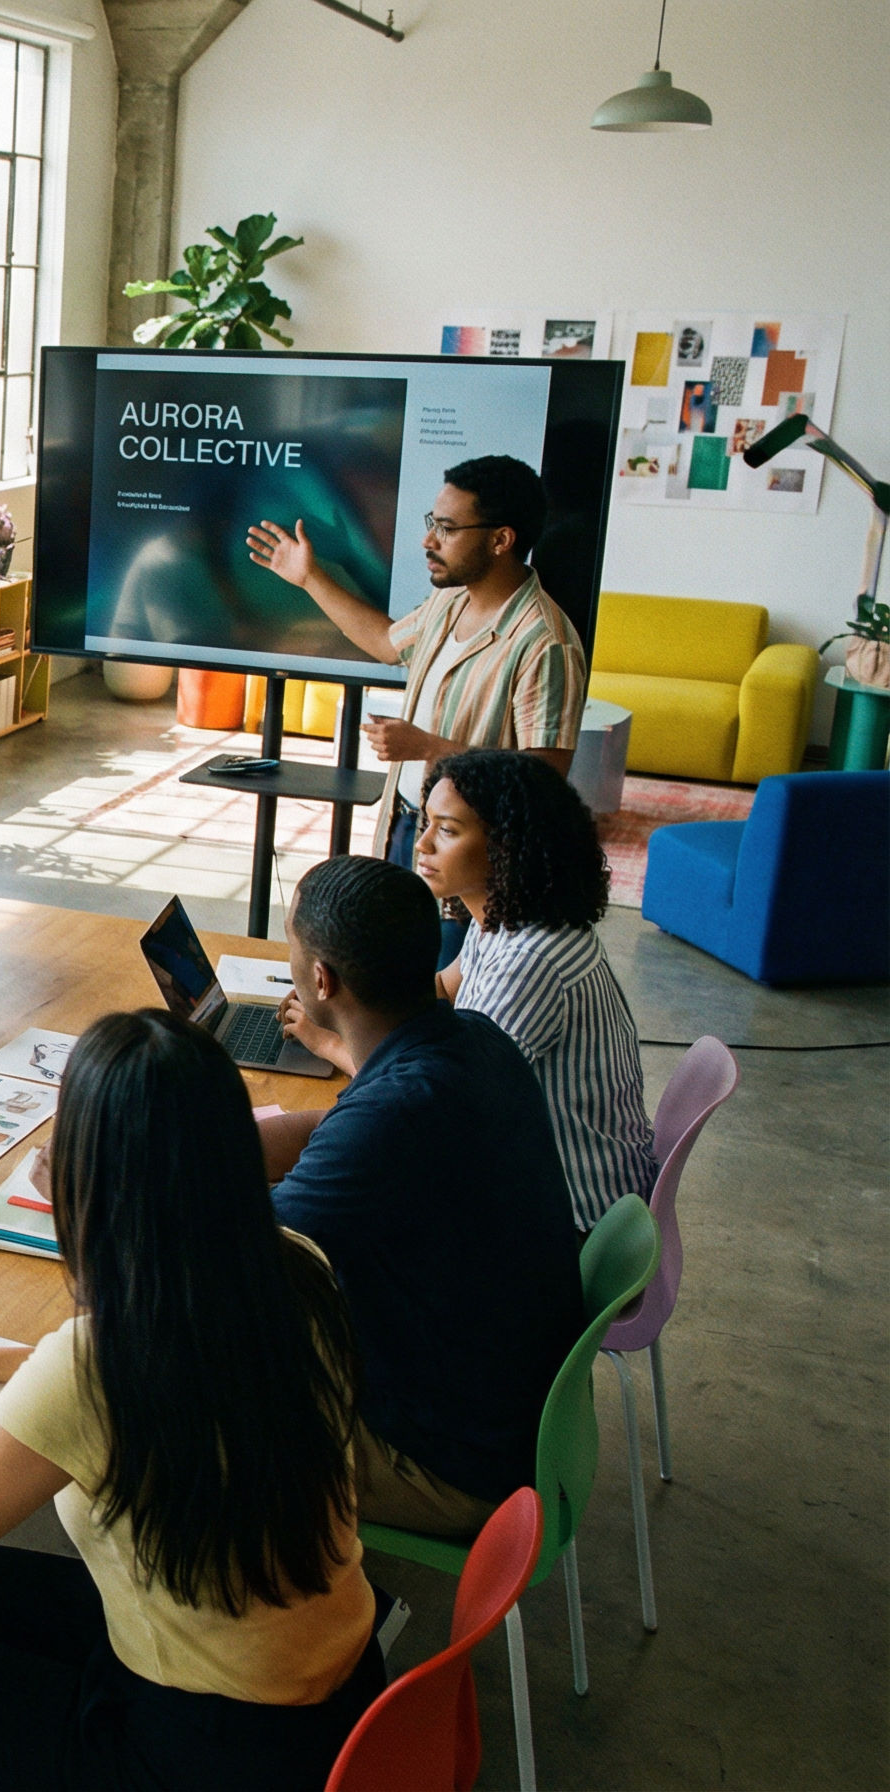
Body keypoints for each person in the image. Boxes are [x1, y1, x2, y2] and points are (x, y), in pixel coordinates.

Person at [0, 1010, 384, 1792]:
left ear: (87, 1181)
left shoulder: (93, 1367)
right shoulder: (295, 1265)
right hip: (343, 1699)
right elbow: (170, 1372)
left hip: (206, 1759)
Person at [267, 854, 581, 1538]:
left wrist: (107, 1171)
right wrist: (215, 1140)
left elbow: (235, 1255)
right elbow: (338, 1132)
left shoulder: (398, 1113)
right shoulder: (473, 1040)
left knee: (172, 1405)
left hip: (451, 1472)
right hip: (504, 1418)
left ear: (320, 978)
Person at [247, 454, 588, 874]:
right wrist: (309, 577)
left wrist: (428, 748)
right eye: (433, 522)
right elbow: (387, 644)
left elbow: (543, 782)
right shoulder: (452, 598)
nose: (429, 540)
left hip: (474, 857)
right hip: (409, 821)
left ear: (501, 540)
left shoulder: (545, 644)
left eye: (447, 528)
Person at [422, 750, 657, 1232]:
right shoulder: (502, 921)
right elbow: (443, 988)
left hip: (573, 1221)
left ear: (506, 847)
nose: (423, 844)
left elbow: (448, 1104)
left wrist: (334, 1043)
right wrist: (353, 996)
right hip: (548, 1188)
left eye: (446, 830)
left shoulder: (531, 960)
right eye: (428, 824)